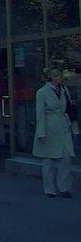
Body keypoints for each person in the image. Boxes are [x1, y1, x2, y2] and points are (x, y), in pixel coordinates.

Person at [33, 67, 75, 198]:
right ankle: (49, 189)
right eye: (58, 76)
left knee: (66, 158)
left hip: (63, 126)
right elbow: (40, 113)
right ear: (52, 77)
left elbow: (69, 110)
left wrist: (74, 128)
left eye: (61, 76)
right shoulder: (42, 92)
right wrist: (41, 132)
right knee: (48, 159)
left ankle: (64, 188)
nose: (61, 78)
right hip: (49, 127)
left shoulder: (64, 90)